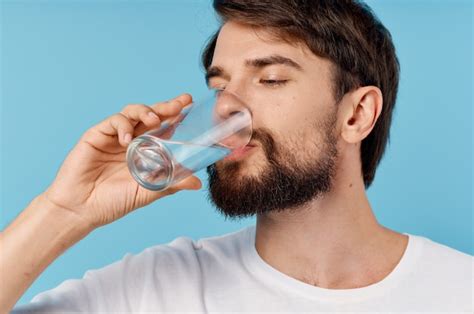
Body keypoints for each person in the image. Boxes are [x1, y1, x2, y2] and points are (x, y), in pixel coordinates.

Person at [2, 0, 472, 312]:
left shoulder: (459, 291)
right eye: (219, 85)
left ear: (356, 115)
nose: (227, 107)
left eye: (270, 79)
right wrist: (64, 211)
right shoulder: (154, 290)